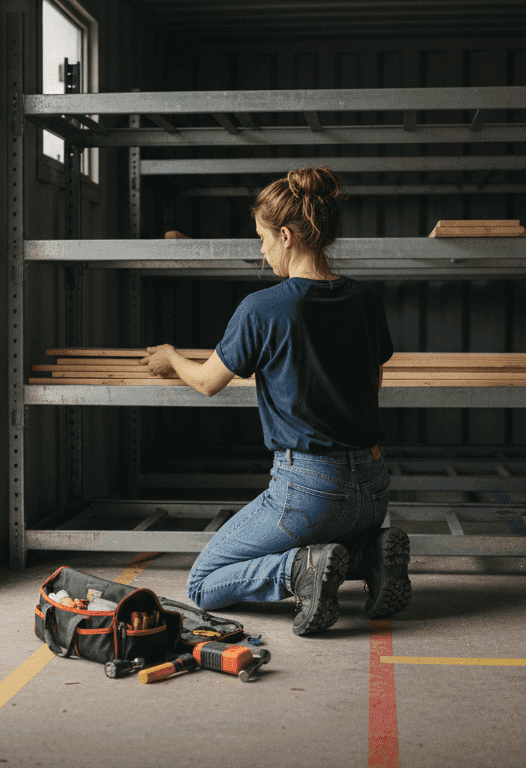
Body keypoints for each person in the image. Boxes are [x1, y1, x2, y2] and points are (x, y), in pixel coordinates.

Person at [139, 166, 411, 636]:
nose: (262, 251)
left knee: (202, 583)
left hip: (309, 491)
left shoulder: (264, 307)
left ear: (286, 235)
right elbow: (373, 384)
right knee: (330, 529)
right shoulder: (366, 300)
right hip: (373, 488)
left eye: (262, 238)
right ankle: (370, 557)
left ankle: (300, 570)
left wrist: (171, 358)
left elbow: (207, 382)